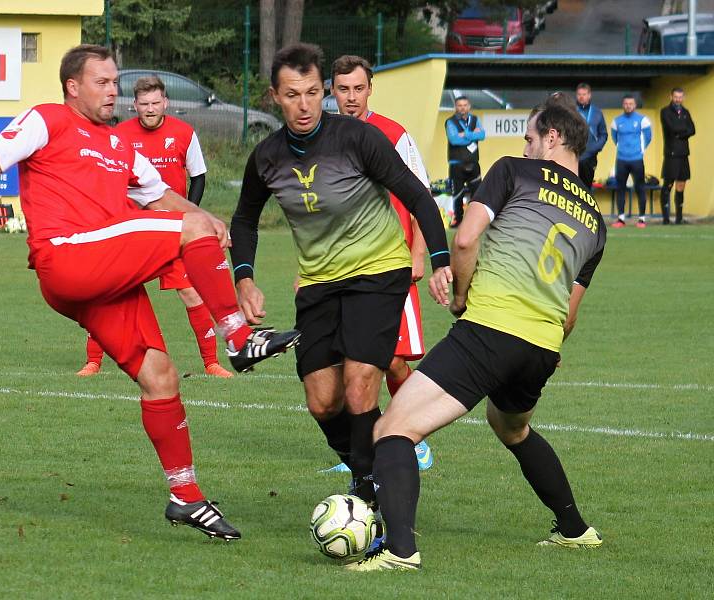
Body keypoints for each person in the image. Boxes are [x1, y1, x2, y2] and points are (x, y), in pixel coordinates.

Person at [0, 44, 300, 541]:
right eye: (102, 82)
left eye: (115, 82)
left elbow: (160, 197)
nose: (113, 90)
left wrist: (207, 221)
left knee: (161, 377)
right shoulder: (48, 119)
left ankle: (186, 495)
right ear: (73, 87)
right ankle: (238, 338)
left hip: (101, 275)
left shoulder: (120, 146)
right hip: (68, 256)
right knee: (190, 229)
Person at [348, 93, 606, 571]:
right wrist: (547, 343)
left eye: (530, 138)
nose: (526, 146)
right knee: (512, 427)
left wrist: (461, 296)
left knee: (393, 428)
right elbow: (569, 315)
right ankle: (575, 529)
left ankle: (399, 552)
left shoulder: (513, 170)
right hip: (542, 346)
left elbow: (465, 238)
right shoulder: (595, 218)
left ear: (552, 137)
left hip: (491, 329)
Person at [229, 44, 451, 515]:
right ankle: (369, 466)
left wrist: (438, 258)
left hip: (378, 272)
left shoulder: (357, 138)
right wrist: (244, 279)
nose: (305, 104)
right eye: (293, 95)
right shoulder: (267, 157)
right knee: (322, 401)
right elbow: (245, 218)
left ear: (322, 92)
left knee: (358, 385)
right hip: (317, 284)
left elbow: (417, 194)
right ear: (275, 97)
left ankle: (370, 494)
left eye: (313, 92)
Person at [77, 75, 232, 379]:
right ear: (135, 106)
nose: (149, 109)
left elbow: (198, 176)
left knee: (191, 293)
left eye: (155, 103)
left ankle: (211, 363)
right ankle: (93, 361)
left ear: (166, 103)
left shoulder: (184, 133)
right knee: (107, 292)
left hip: (173, 229)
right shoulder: (118, 135)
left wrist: (191, 217)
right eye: (144, 104)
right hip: (130, 230)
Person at [324, 54, 434, 473]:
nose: (351, 98)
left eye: (358, 88)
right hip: (340, 268)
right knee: (351, 359)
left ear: (370, 89)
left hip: (390, 266)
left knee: (391, 358)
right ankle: (362, 450)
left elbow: (422, 196)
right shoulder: (323, 137)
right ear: (332, 92)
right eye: (343, 89)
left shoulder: (394, 134)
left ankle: (413, 437)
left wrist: (419, 253)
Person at [611, 94, 652, 228]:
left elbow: (648, 138)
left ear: (635, 105)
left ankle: (641, 219)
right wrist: (623, 150)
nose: (628, 106)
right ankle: (621, 219)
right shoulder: (616, 121)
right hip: (621, 160)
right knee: (620, 188)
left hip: (637, 160)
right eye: (626, 104)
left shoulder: (643, 120)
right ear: (623, 105)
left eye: (631, 104)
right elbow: (614, 138)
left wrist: (639, 151)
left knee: (640, 188)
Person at [445, 95, 485, 227]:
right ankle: (458, 220)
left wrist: (465, 134)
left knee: (478, 194)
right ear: (456, 107)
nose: (462, 108)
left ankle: (476, 221)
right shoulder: (450, 122)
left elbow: (482, 135)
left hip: (474, 163)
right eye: (459, 105)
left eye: (465, 105)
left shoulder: (475, 119)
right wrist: (472, 134)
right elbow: (454, 140)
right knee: (457, 194)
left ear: (469, 106)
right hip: (456, 164)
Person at [659, 87, 695, 225]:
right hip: (671, 153)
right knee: (668, 185)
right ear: (671, 97)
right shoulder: (665, 111)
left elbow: (693, 129)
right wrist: (683, 130)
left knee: (681, 185)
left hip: (684, 153)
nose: (678, 99)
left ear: (683, 97)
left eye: (680, 97)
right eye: (676, 97)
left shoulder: (686, 112)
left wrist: (680, 133)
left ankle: (679, 218)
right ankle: (666, 219)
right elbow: (671, 128)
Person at [575, 82, 607, 188]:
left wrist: (595, 148)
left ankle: (586, 205)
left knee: (586, 189)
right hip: (573, 156)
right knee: (573, 188)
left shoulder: (597, 112)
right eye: (579, 94)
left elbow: (603, 134)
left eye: (584, 94)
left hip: (590, 157)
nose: (581, 97)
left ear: (589, 95)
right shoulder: (571, 111)